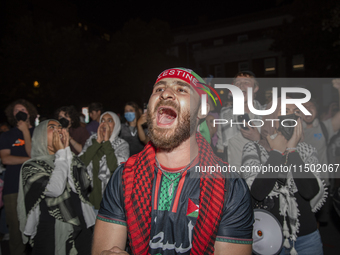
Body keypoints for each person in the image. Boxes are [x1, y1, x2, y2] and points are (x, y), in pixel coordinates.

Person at [92, 68, 254, 255]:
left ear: (202, 109)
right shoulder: (123, 178)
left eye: (181, 89)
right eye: (158, 89)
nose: (166, 93)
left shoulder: (230, 186)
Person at [242, 99, 327, 255]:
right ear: (271, 118)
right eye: (285, 110)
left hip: (307, 238)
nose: (291, 116)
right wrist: (276, 153)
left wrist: (292, 150)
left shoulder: (307, 150)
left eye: (295, 112)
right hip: (269, 240)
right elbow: (257, 192)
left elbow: (309, 191)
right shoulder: (253, 149)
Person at [17, 120, 96, 254]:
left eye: (60, 127)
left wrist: (66, 153)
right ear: (41, 135)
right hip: (49, 227)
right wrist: (61, 157)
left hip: (80, 224)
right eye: (52, 127)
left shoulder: (72, 159)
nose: (58, 130)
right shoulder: (31, 166)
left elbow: (81, 186)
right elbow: (55, 189)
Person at [0, 99, 37, 255]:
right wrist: (30, 161)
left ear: (30, 112)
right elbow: (6, 159)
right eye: (16, 110)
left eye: (23, 109)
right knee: (16, 229)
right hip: (13, 187)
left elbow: (34, 154)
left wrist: (26, 133)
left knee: (38, 227)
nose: (19, 112)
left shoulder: (38, 132)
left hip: (35, 186)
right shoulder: (7, 135)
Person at [301, 79, 340, 223]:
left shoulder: (324, 128)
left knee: (316, 220)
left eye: (311, 106)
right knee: (303, 221)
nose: (308, 109)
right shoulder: (293, 131)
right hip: (301, 183)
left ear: (317, 111)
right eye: (304, 107)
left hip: (322, 183)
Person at [78, 111, 129, 212]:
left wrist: (106, 143)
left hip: (111, 202)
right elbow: (80, 163)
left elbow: (116, 168)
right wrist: (97, 142)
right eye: (102, 120)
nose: (105, 124)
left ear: (116, 125)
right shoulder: (92, 141)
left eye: (109, 121)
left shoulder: (122, 145)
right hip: (90, 200)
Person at [216, 71, 265, 172]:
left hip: (259, 175)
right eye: (237, 83)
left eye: (246, 82)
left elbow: (277, 148)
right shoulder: (225, 113)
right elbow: (220, 148)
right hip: (233, 177)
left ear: (255, 88)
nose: (241, 85)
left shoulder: (266, 113)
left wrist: (258, 138)